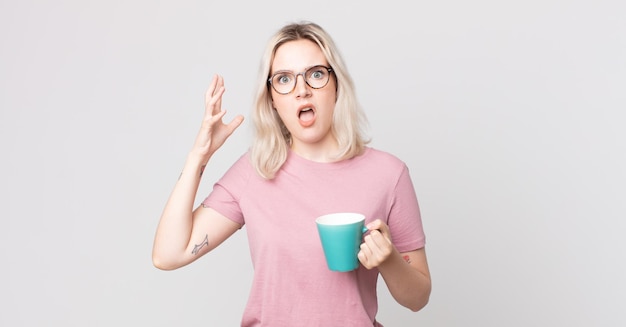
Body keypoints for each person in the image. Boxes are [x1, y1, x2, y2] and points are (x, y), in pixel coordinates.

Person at [152, 21, 431, 326]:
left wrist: (388, 259)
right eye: (284, 79)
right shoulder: (255, 170)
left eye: (315, 74)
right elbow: (168, 255)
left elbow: (417, 298)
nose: (302, 90)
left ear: (336, 84)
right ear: (272, 98)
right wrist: (198, 157)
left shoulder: (388, 174)